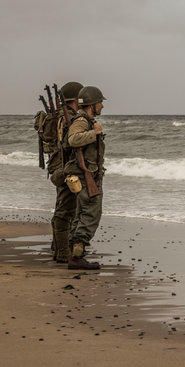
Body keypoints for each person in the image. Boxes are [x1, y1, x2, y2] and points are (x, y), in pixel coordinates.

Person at [64, 86, 106, 270]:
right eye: (100, 102)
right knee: (90, 214)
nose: (102, 106)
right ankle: (77, 256)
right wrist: (94, 133)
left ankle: (75, 253)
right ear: (92, 104)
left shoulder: (86, 119)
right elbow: (73, 140)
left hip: (87, 173)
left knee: (81, 213)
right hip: (85, 174)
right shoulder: (82, 121)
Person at [49, 82, 83, 263]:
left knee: (63, 208)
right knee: (65, 211)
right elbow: (69, 144)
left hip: (57, 167)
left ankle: (58, 248)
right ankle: (63, 253)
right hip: (65, 168)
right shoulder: (68, 118)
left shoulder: (59, 116)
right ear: (75, 99)